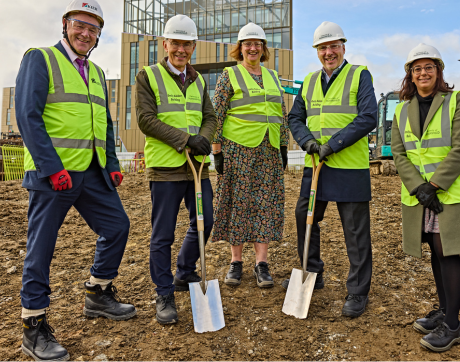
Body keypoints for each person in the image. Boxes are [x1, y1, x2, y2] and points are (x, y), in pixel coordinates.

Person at [15, 1, 135, 360]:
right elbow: (27, 115)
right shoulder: (40, 58)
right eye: (80, 25)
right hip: (53, 176)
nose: (86, 33)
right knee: (42, 250)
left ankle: (98, 293)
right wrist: (52, 168)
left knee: (117, 227)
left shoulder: (96, 72)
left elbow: (106, 123)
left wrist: (111, 162)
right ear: (65, 24)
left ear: (99, 35)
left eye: (94, 28)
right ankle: (33, 328)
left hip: (92, 172)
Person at [391, 43, 460, 352]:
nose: (423, 72)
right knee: (434, 249)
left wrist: (434, 185)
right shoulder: (402, 109)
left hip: (451, 192)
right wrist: (419, 187)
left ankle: (453, 326)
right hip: (421, 196)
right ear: (410, 75)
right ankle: (445, 312)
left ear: (438, 71)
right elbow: (400, 153)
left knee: (448, 252)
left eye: (429, 67)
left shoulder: (456, 101)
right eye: (417, 68)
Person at [284, 21, 377, 318]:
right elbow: (295, 118)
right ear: (316, 51)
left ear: (343, 47)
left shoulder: (359, 75)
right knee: (305, 217)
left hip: (349, 168)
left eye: (333, 46)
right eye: (323, 48)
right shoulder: (310, 81)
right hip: (317, 166)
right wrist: (308, 142)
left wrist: (333, 144)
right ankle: (312, 272)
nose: (329, 52)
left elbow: (368, 117)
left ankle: (358, 291)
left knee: (355, 232)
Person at [135, 14, 217, 324]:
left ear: (193, 46)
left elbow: (209, 117)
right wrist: (186, 140)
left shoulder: (198, 80)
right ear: (165, 44)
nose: (181, 49)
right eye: (176, 43)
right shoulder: (148, 76)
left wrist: (203, 140)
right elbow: (146, 120)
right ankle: (164, 292)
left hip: (197, 167)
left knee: (206, 221)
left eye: (187, 44)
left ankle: (184, 271)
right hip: (166, 168)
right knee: (162, 234)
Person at [211, 22, 289, 288]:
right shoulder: (229, 75)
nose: (253, 48)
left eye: (258, 43)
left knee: (264, 204)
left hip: (268, 151)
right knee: (238, 202)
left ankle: (261, 263)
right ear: (240, 48)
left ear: (263, 48)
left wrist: (283, 146)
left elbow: (282, 113)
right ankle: (236, 262)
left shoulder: (273, 76)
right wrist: (217, 150)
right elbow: (216, 114)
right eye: (248, 44)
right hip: (237, 150)